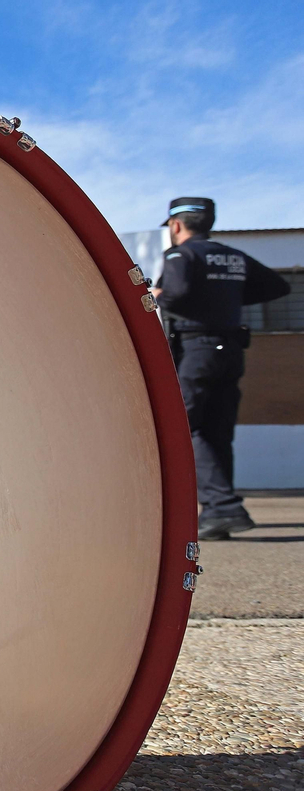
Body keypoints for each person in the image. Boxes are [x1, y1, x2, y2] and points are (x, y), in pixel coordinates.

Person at [152, 197, 291, 540]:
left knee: (181, 427)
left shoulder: (180, 255)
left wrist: (157, 294)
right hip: (230, 351)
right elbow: (279, 286)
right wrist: (224, 296)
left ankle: (203, 508)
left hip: (197, 350)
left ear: (176, 225)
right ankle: (221, 512)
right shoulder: (232, 255)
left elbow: (177, 293)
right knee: (215, 431)